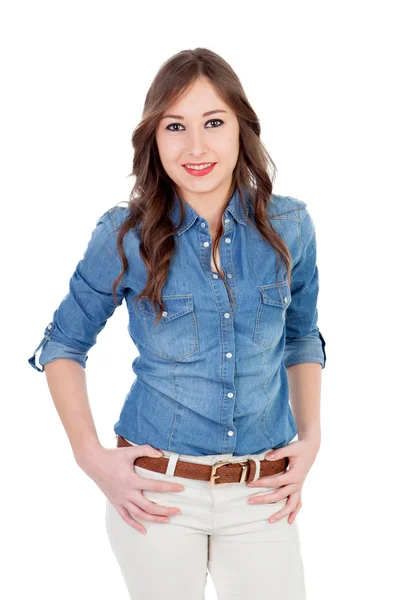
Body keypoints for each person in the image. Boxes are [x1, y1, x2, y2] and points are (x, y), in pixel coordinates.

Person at [28, 47, 326, 600]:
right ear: (154, 138)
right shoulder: (125, 235)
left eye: (214, 122)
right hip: (155, 491)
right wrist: (91, 458)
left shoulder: (291, 227)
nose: (196, 147)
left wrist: (311, 439)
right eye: (175, 126)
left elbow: (302, 336)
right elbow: (63, 345)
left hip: (262, 490)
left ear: (243, 128)